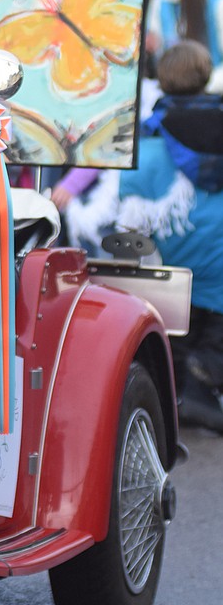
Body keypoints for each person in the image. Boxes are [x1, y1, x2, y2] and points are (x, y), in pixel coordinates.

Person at [116, 40, 223, 431]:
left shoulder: (144, 143)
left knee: (177, 330)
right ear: (206, 75)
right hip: (219, 261)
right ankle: (205, 374)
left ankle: (184, 388)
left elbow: (127, 219)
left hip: (170, 264)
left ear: (161, 80)